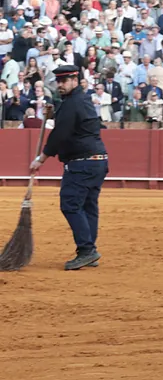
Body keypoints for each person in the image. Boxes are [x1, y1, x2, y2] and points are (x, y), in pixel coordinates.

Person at [28, 64, 108, 270]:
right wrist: (54, 113)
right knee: (89, 206)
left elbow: (60, 135)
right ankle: (89, 250)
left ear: (75, 80)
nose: (60, 85)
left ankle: (86, 250)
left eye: (64, 81)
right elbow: (72, 122)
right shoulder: (79, 99)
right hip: (98, 161)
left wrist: (41, 158)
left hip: (82, 163)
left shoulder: (72, 103)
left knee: (71, 205)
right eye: (58, 82)